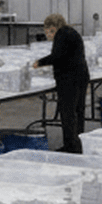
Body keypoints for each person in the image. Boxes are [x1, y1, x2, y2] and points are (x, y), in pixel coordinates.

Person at [33, 13, 90, 154]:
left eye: (49, 31)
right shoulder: (71, 32)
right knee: (78, 111)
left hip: (69, 79)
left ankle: (70, 147)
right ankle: (78, 145)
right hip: (80, 76)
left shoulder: (62, 34)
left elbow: (57, 56)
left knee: (68, 113)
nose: (48, 35)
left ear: (54, 28)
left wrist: (39, 62)